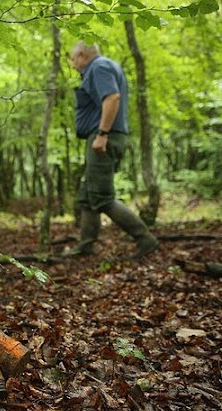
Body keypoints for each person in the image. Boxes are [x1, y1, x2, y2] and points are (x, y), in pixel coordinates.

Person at [66, 41, 159, 259]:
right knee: (88, 195)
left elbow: (112, 97)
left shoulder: (99, 67)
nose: (72, 65)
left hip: (104, 138)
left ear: (81, 55)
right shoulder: (103, 67)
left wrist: (102, 134)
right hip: (102, 136)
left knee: (101, 197)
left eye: (73, 59)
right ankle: (86, 244)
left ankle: (145, 238)